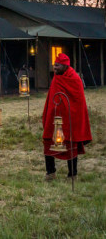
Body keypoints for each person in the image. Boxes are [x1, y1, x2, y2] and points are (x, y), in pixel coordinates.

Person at [42, 53, 92, 181]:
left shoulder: (74, 79)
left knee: (71, 145)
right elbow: (51, 97)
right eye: (54, 65)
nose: (55, 68)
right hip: (54, 118)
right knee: (48, 141)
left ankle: (72, 174)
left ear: (65, 66)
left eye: (57, 65)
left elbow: (78, 102)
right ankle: (50, 173)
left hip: (70, 120)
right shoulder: (57, 77)